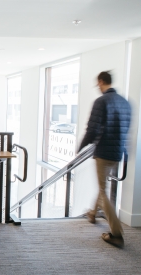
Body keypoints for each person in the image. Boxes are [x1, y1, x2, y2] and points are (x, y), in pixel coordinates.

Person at [78, 71, 131, 248]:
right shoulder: (125, 102)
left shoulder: (101, 102)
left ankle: (116, 233)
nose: (98, 87)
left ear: (101, 81)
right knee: (104, 187)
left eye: (97, 84)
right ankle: (93, 213)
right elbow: (126, 129)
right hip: (117, 153)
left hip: (103, 152)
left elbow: (92, 129)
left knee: (102, 189)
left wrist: (81, 147)